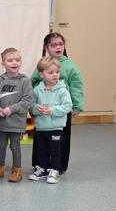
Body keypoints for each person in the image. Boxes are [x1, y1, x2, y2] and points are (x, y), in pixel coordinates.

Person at [31, 33, 84, 174]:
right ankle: (40, 164)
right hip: (43, 110)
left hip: (61, 110)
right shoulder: (42, 64)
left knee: (60, 140)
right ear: (46, 47)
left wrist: (77, 106)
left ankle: (58, 166)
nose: (58, 47)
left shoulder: (70, 66)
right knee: (41, 139)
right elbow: (33, 83)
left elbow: (76, 87)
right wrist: (33, 105)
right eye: (53, 45)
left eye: (60, 44)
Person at [0, 48, 32, 183]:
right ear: (3, 63)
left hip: (16, 122)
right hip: (1, 121)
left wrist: (11, 109)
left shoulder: (24, 81)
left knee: (15, 146)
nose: (14, 63)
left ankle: (17, 169)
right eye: (10, 60)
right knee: (0, 145)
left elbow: (27, 100)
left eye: (17, 60)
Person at [28, 57, 72, 184]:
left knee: (55, 150)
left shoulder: (62, 90)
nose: (55, 75)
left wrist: (52, 110)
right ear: (42, 74)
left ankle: (55, 170)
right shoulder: (37, 90)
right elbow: (31, 105)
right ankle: (43, 169)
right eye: (50, 72)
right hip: (41, 127)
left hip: (56, 127)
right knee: (42, 150)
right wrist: (36, 108)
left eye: (57, 72)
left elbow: (67, 106)